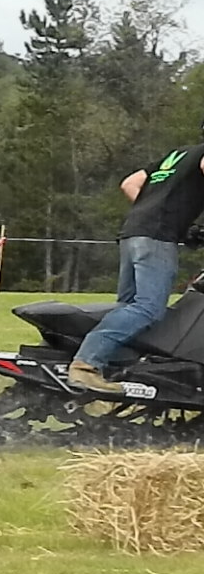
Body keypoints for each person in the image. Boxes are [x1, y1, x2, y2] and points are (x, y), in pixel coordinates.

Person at [68, 138, 204, 393]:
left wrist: (165, 216)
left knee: (129, 305)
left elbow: (130, 183)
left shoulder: (177, 155)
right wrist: (169, 220)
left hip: (134, 232)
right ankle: (86, 364)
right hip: (156, 237)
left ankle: (118, 365)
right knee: (149, 308)